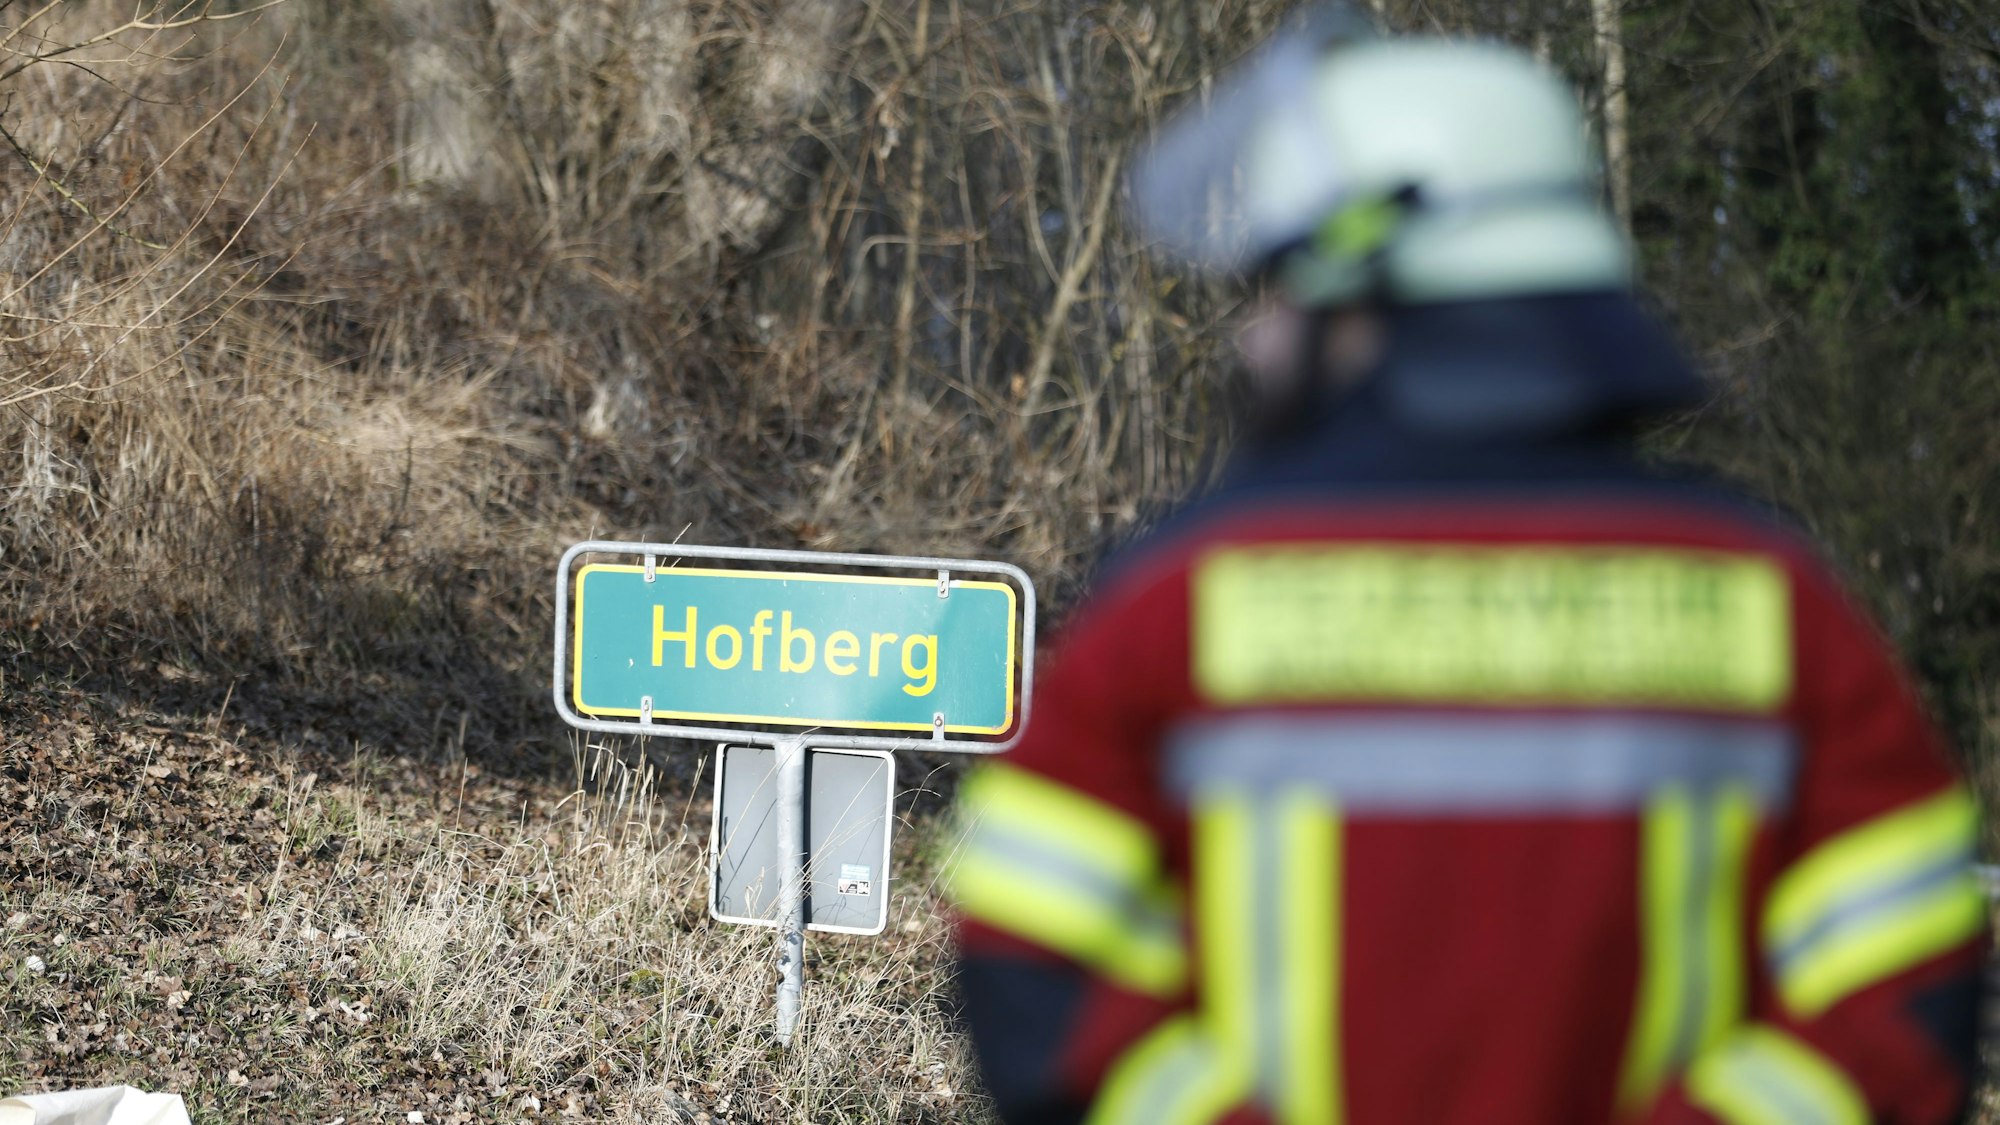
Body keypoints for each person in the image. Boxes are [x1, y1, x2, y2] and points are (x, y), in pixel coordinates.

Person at [946, 15, 1987, 1125]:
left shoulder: (1179, 605)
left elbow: (1033, 968)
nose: (1256, 341)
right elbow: (1906, 992)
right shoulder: (1766, 600)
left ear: (1365, 278)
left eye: (1279, 290)